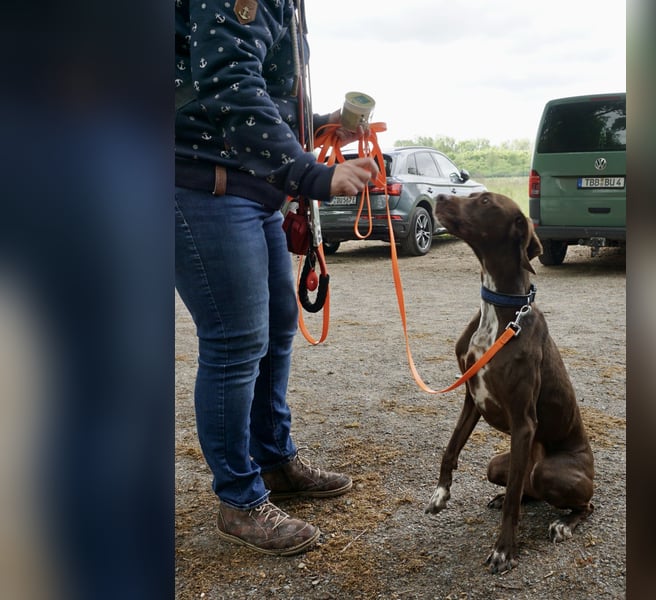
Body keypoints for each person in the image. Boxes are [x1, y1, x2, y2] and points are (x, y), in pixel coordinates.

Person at [174, 0, 378, 557]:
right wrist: (312, 173)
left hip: (252, 192)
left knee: (277, 328)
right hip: (206, 186)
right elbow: (227, 83)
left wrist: (316, 123)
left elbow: (256, 90)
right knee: (235, 341)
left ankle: (273, 460)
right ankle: (239, 500)